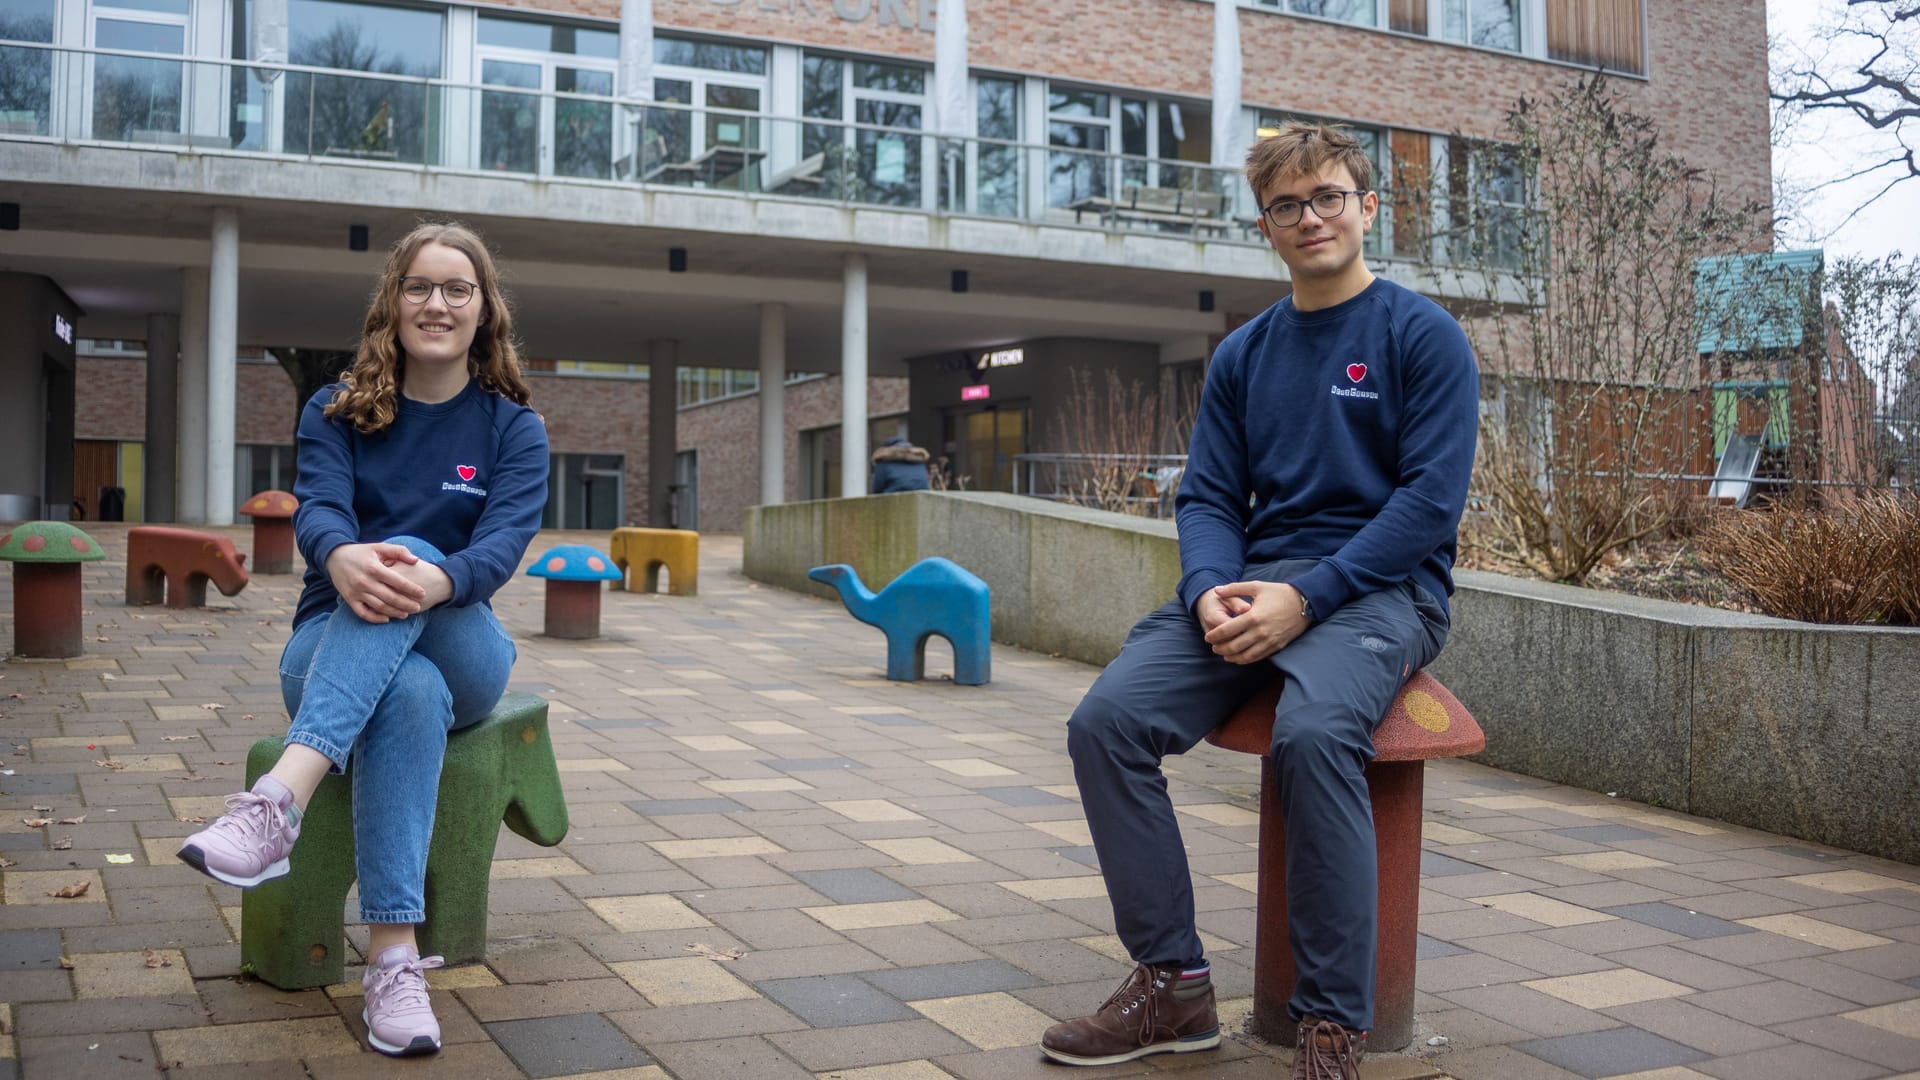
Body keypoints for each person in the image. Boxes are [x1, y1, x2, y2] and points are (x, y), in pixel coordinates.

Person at [1038, 123, 1478, 1080]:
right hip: (1248, 585)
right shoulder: (1244, 355)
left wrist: (1306, 599)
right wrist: (1207, 594)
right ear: (1266, 227)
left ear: (1367, 208)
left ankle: (1330, 1022)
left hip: (1383, 592)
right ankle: (1174, 984)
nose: (1310, 217)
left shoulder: (1423, 336)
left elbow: (1429, 507)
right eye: (1287, 205)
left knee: (1317, 735)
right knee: (1105, 722)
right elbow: (1206, 496)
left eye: (1327, 197)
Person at [177, 222, 549, 1058]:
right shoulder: (336, 409)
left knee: (415, 558)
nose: (438, 303)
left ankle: (280, 801)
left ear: (485, 310)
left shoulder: (511, 430)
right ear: (394, 300)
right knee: (407, 691)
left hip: (468, 644)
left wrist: (428, 575)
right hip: (329, 640)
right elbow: (318, 511)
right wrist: (339, 555)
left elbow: (497, 551)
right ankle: (393, 962)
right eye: (420, 286)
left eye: (459, 289)